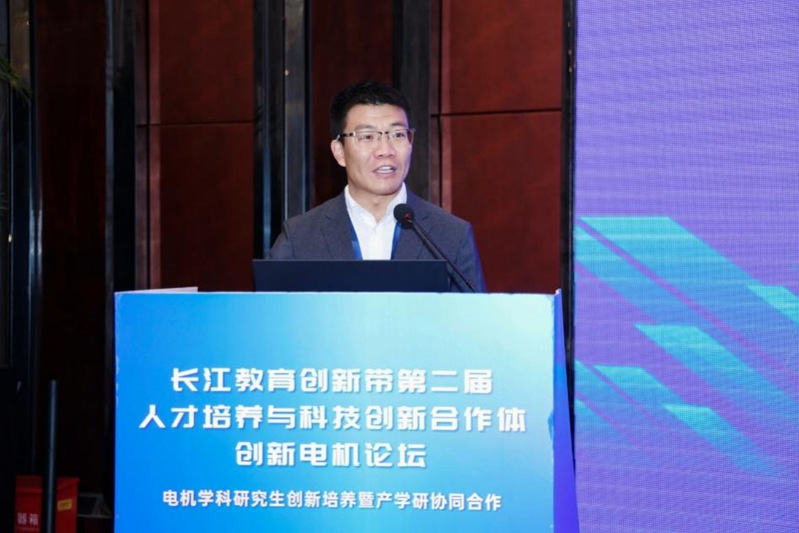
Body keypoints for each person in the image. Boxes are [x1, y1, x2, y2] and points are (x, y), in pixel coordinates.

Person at [267, 81, 485, 292]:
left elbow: (472, 315)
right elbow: (270, 314)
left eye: (397, 135)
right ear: (339, 152)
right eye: (367, 137)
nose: (385, 150)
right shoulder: (299, 237)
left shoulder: (451, 236)